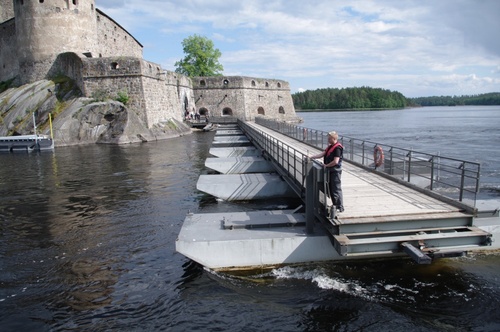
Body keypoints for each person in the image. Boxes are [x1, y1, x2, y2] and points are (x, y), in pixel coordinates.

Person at [309, 131, 344, 213]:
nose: (328, 140)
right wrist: (312, 157)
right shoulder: (330, 147)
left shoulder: (338, 148)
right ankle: (335, 204)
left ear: (334, 138)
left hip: (335, 171)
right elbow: (322, 154)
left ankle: (339, 206)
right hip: (330, 171)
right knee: (331, 189)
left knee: (336, 188)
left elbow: (336, 161)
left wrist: (327, 165)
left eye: (329, 138)